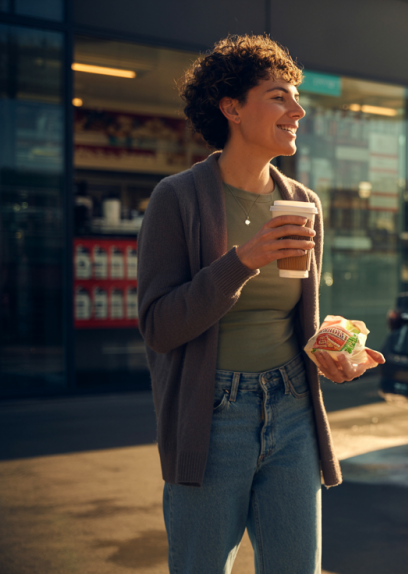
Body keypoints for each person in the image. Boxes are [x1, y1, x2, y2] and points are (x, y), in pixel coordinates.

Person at [137, 34, 383, 573]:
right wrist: (242, 261)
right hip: (213, 414)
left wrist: (332, 349)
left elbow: (296, 315)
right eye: (279, 97)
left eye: (297, 98)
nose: (297, 111)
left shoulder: (302, 202)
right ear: (232, 108)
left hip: (293, 406)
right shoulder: (176, 199)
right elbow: (158, 326)